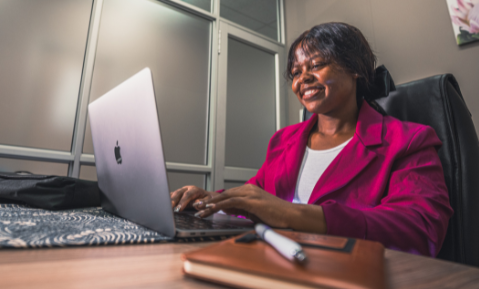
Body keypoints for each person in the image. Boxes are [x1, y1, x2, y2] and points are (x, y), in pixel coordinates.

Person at [170, 22, 453, 257]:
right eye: (295, 73)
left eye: (316, 65)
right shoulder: (283, 141)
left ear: (354, 67)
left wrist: (294, 215)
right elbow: (255, 197)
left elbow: (421, 229)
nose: (302, 79)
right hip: (275, 265)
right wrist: (211, 200)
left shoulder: (408, 140)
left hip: (349, 277)